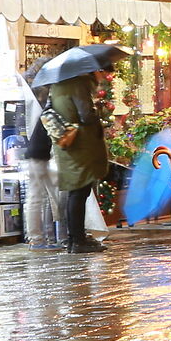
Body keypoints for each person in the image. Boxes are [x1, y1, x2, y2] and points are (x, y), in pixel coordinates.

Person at [43, 61, 112, 255]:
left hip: (67, 143)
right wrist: (95, 110)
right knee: (79, 192)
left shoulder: (59, 85)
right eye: (103, 72)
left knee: (76, 191)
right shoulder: (80, 84)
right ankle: (78, 240)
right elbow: (85, 115)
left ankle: (74, 239)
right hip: (80, 144)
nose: (104, 77)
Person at [20, 115, 60, 250]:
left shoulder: (49, 111)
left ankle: (41, 239)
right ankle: (36, 240)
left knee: (40, 197)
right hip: (38, 157)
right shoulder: (52, 112)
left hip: (39, 155)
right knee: (36, 197)